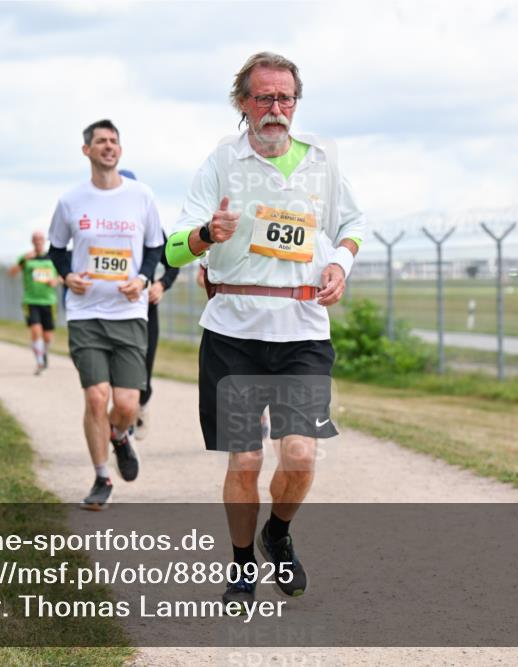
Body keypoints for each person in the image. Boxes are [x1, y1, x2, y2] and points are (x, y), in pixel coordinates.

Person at [165, 52, 365, 605]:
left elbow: (353, 224)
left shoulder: (322, 160)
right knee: (246, 460)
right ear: (242, 103)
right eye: (264, 98)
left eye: (286, 98)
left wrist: (339, 265)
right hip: (234, 333)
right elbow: (175, 246)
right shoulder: (221, 163)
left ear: (296, 102)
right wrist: (208, 233)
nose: (276, 108)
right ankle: (241, 561)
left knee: (299, 455)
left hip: (302, 329)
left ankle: (277, 532)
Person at [47, 119, 164, 510]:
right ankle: (101, 477)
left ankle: (120, 435)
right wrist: (67, 275)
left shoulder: (142, 196)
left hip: (129, 313)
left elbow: (154, 248)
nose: (108, 146)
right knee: (96, 398)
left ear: (120, 149)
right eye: (101, 141)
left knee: (128, 404)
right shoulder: (70, 200)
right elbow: (57, 248)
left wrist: (144, 278)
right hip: (85, 313)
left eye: (114, 141)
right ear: (87, 150)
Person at [116, 169, 181, 439]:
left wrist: (161, 284)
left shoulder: (150, 227)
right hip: (111, 307)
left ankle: (140, 404)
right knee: (115, 371)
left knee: (144, 365)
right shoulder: (101, 225)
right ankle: (123, 423)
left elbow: (172, 263)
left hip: (145, 309)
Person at [8, 230, 61, 375]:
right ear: (32, 241)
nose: (38, 241)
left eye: (40, 239)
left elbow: (63, 276)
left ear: (44, 241)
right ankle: (39, 362)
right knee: (35, 331)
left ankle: (44, 352)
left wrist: (56, 280)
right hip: (31, 300)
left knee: (48, 336)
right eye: (35, 239)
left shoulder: (52, 257)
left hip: (49, 301)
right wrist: (23, 260)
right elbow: (11, 273)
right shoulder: (26, 258)